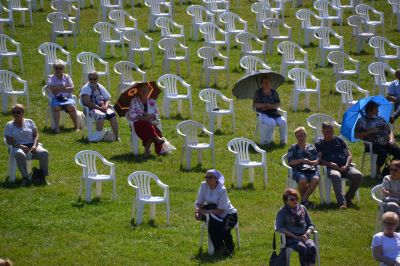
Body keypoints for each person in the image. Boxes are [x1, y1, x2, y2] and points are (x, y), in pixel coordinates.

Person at [315, 122, 363, 209]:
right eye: (326, 132)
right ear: (322, 132)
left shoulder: (339, 140)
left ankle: (348, 197)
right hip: (331, 168)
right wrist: (330, 164)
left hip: (345, 166)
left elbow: (349, 155)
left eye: (330, 131)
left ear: (333, 130)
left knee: (358, 175)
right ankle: (341, 203)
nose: (328, 133)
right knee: (335, 175)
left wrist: (347, 165)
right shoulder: (319, 143)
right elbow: (319, 160)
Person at [195, 169, 238, 256]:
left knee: (225, 230)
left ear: (216, 179)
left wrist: (204, 211)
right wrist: (198, 213)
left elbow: (221, 209)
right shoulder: (203, 185)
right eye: (206, 177)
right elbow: (199, 202)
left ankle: (230, 249)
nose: (207, 179)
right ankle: (220, 248)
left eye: (210, 177)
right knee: (212, 226)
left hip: (228, 213)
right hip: (213, 212)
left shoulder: (222, 189)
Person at [3, 104, 49, 185]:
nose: (15, 114)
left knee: (44, 153)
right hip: (17, 146)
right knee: (19, 153)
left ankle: (42, 177)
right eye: (13, 112)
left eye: (18, 112)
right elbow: (8, 140)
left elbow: (36, 135)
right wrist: (20, 146)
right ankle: (26, 177)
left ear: (23, 113)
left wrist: (34, 145)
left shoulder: (29, 121)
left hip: (32, 145)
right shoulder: (9, 125)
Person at [355, 101, 400, 178]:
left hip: (386, 142)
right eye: (376, 109)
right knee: (382, 153)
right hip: (372, 144)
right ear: (370, 111)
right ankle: (377, 171)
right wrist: (370, 131)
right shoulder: (361, 121)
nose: (378, 111)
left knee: (398, 152)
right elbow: (356, 135)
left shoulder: (380, 119)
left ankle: (389, 169)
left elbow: (389, 131)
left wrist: (391, 139)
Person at [275, 188, 316, 266]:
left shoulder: (303, 208)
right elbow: (279, 227)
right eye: (292, 199)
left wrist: (307, 234)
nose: (295, 201)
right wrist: (295, 236)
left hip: (304, 237)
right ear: (286, 201)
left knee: (312, 247)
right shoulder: (282, 211)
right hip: (290, 238)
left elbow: (311, 225)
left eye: (296, 198)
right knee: (302, 247)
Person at [127, 84, 165, 157]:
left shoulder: (152, 101)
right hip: (138, 123)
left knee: (149, 126)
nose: (144, 92)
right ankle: (157, 140)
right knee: (148, 125)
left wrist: (151, 116)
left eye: (146, 91)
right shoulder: (134, 101)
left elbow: (157, 114)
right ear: (138, 92)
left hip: (150, 123)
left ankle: (147, 151)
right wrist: (143, 116)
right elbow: (132, 115)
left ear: (149, 92)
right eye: (142, 91)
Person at [80, 71, 119, 141]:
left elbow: (107, 99)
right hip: (90, 109)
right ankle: (98, 136)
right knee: (100, 116)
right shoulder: (86, 88)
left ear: (98, 79)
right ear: (88, 79)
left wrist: (106, 106)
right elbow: (87, 102)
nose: (93, 80)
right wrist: (100, 109)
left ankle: (116, 136)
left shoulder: (100, 87)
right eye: (91, 79)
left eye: (95, 79)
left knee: (113, 115)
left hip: (102, 107)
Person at [287, 127, 320, 207]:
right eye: (298, 136)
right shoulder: (293, 147)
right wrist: (301, 160)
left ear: (306, 135)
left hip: (311, 169)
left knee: (316, 179)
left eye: (302, 135)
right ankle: (305, 201)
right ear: (296, 137)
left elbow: (317, 160)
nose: (301, 137)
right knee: (302, 180)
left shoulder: (311, 147)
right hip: (298, 170)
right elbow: (290, 162)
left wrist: (311, 162)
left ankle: (303, 200)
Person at [46, 59, 80, 133]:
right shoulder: (50, 77)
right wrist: (63, 87)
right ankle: (57, 128)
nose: (58, 70)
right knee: (56, 108)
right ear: (54, 68)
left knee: (71, 107)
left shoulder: (67, 77)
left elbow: (72, 88)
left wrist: (58, 89)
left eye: (60, 68)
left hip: (67, 98)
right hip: (56, 98)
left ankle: (76, 127)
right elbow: (50, 87)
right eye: (56, 68)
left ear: (63, 69)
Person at [253, 75, 287, 145]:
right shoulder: (258, 93)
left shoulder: (274, 92)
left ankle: (283, 141)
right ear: (261, 84)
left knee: (283, 121)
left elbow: (278, 104)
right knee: (272, 123)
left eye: (268, 82)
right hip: (262, 113)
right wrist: (264, 105)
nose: (267, 84)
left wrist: (270, 106)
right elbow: (255, 104)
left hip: (273, 112)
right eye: (265, 83)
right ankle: (267, 142)